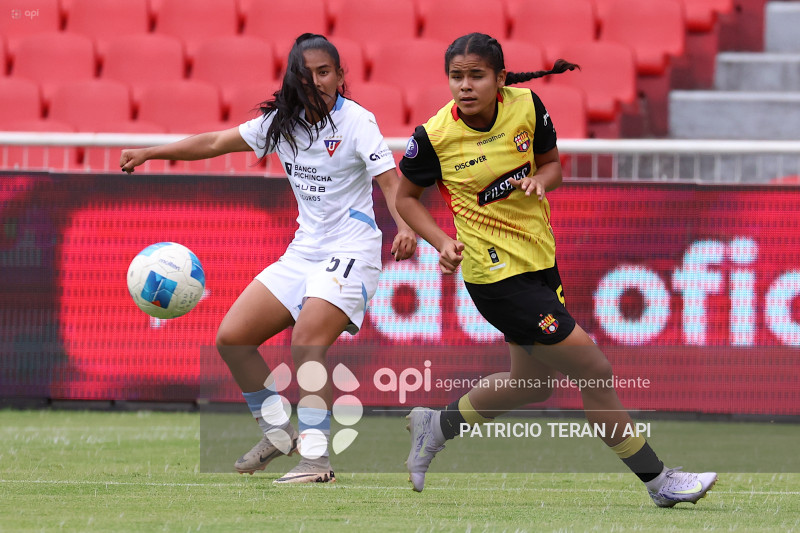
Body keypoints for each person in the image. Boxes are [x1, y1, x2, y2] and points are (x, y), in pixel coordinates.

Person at [395, 32, 717, 507]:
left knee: (532, 384)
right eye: (456, 76)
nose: (465, 86)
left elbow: (554, 168)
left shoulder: (527, 107)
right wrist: (442, 241)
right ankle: (659, 481)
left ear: (500, 79)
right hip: (496, 278)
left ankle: (436, 425)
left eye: (476, 75)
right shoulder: (435, 136)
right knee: (595, 371)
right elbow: (405, 197)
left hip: (541, 262)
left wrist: (538, 181)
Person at [120, 33, 416, 484]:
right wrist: (149, 152)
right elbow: (214, 143)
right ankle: (278, 433)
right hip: (303, 252)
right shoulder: (280, 122)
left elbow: (392, 184)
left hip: (352, 251)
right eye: (307, 73)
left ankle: (317, 460)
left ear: (339, 76)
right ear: (294, 79)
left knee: (307, 341)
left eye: (325, 72)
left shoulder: (357, 121)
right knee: (233, 338)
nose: (317, 81)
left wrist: (407, 226)